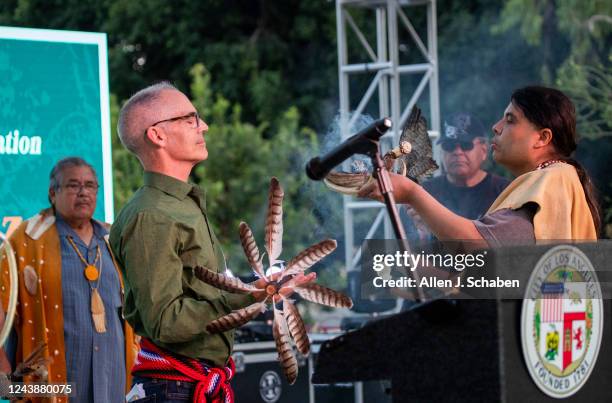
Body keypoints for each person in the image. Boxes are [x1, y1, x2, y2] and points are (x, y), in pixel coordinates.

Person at [110, 82, 312, 402]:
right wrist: (248, 296)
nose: (203, 125)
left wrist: (260, 286)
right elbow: (165, 322)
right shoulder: (151, 214)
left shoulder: (182, 204)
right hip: (174, 389)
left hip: (193, 385)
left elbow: (202, 293)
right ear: (157, 135)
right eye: (190, 118)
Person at [359, 86, 599, 245]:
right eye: (451, 146)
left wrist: (412, 194)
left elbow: (481, 246)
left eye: (510, 119)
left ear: (543, 138)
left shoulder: (552, 179)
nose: (496, 127)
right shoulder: (558, 178)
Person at [0, 157, 138, 403]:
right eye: (73, 185)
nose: (83, 192)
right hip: (51, 388)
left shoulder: (113, 239)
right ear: (53, 193)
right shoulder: (27, 240)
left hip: (114, 384)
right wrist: (5, 376)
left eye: (90, 185)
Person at [402, 112, 510, 240]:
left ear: (483, 151)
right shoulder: (423, 194)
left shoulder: (505, 192)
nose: (457, 152)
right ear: (441, 152)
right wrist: (421, 234)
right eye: (449, 146)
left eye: (466, 145)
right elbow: (403, 250)